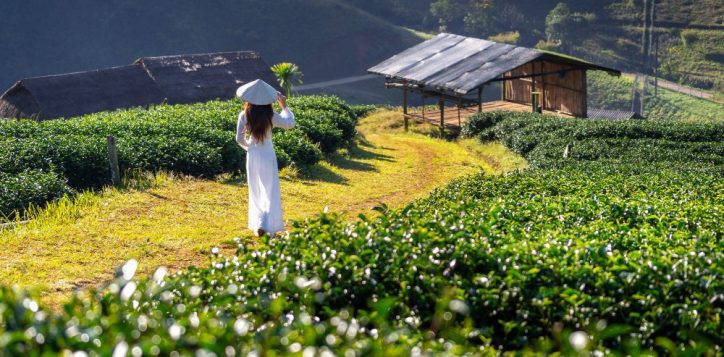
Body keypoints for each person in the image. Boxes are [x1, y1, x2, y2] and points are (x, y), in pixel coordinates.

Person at [235, 79, 295, 237]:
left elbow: (239, 139)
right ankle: (269, 227)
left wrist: (250, 147)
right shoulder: (271, 115)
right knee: (270, 189)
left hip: (253, 155)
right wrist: (284, 106)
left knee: (255, 189)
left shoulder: (244, 115)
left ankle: (260, 224)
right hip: (267, 154)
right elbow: (289, 123)